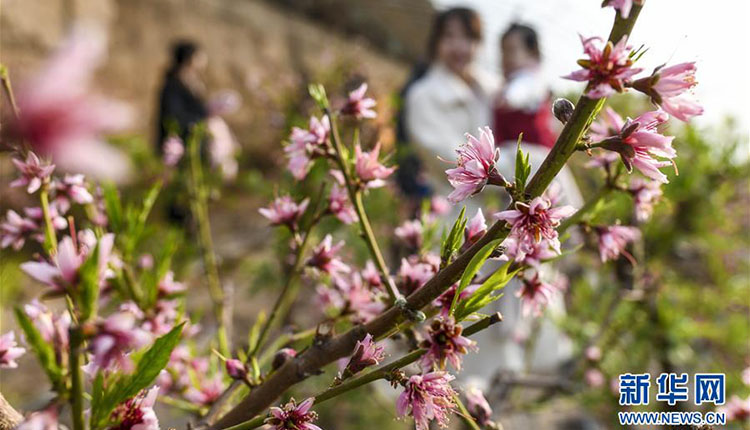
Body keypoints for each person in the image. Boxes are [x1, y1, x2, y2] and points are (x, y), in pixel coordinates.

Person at [404, 7, 498, 178]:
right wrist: (531, 162)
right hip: (453, 194)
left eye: (468, 37)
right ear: (436, 42)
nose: (459, 46)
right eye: (449, 36)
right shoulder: (422, 96)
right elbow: (452, 161)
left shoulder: (492, 89)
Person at [156, 40, 209, 152]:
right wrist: (197, 123)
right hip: (179, 143)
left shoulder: (192, 82)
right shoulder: (173, 85)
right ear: (190, 58)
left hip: (194, 140)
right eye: (199, 55)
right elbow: (173, 115)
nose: (204, 59)